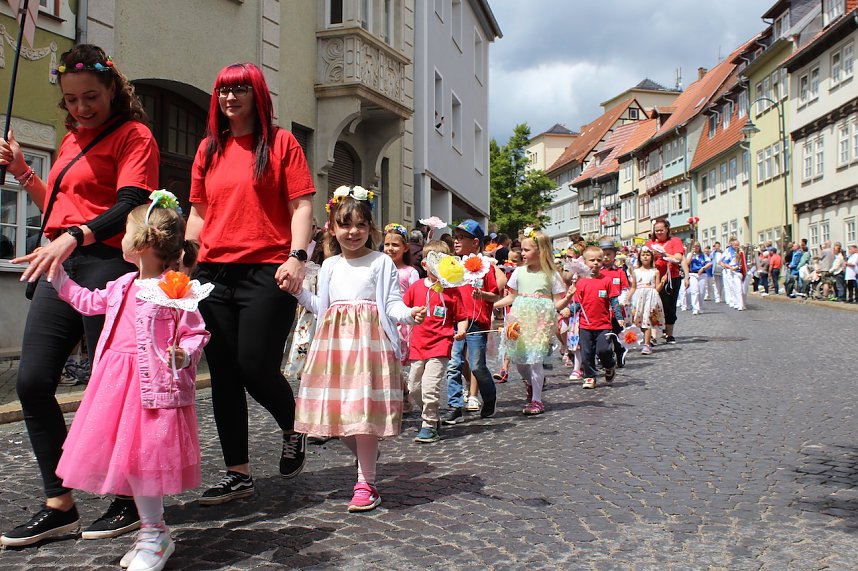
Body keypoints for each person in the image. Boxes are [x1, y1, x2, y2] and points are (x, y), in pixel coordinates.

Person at [0, 45, 159, 547]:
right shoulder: (70, 140)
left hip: (108, 266)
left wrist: (74, 236)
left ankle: (129, 498)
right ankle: (59, 504)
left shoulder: (135, 136)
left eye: (91, 96)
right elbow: (60, 207)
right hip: (61, 265)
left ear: (113, 88)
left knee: (111, 389)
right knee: (32, 382)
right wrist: (24, 171)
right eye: (71, 100)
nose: (81, 107)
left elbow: (130, 205)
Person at [14, 196, 209, 569]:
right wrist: (56, 271)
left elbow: (195, 332)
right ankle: (151, 532)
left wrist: (184, 354)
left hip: (151, 390)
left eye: (125, 231)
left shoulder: (174, 288)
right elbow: (87, 302)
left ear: (143, 242)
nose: (119, 238)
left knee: (144, 463)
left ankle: (155, 534)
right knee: (131, 462)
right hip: (116, 386)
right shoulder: (122, 284)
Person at [187, 63, 314, 505]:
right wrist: (184, 264)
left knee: (254, 366)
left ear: (257, 94)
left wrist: (297, 257)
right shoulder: (209, 148)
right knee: (223, 374)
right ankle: (237, 473)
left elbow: (301, 206)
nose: (230, 97)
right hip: (213, 274)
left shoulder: (281, 143)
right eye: (223, 90)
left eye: (240, 88)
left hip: (268, 270)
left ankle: (294, 423)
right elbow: (199, 214)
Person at [289, 187, 426, 511]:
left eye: (361, 225)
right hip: (334, 349)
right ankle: (367, 457)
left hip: (368, 346)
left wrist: (409, 314)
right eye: (346, 224)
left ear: (370, 228)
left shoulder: (380, 262)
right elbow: (321, 307)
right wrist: (296, 292)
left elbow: (391, 303)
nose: (353, 232)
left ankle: (367, 483)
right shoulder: (330, 265)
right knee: (339, 416)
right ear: (333, 228)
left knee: (363, 415)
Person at [494, 229, 572, 415]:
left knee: (536, 359)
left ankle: (537, 400)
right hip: (520, 321)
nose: (522, 253)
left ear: (540, 251)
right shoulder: (519, 272)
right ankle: (530, 382)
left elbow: (557, 303)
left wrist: (567, 299)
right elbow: (512, 296)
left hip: (540, 323)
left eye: (526, 250)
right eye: (522, 249)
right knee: (520, 361)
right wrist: (493, 305)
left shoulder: (551, 275)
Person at [403, 242, 466, 443]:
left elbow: (461, 316)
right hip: (418, 345)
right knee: (414, 387)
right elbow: (403, 309)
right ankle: (431, 413)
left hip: (440, 344)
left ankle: (429, 424)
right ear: (424, 264)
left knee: (430, 386)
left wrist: (461, 330)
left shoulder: (452, 291)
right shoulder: (416, 287)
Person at [442, 220, 502, 424]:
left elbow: (496, 295)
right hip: (457, 321)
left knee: (477, 366)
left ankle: (489, 396)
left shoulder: (486, 267)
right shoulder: (454, 266)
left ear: (475, 242)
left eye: (461, 238)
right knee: (454, 364)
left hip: (477, 323)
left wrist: (482, 294)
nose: (456, 241)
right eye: (455, 237)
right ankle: (455, 405)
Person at [568, 245, 622, 389]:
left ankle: (609, 366)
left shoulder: (606, 280)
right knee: (586, 353)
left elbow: (614, 300)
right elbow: (577, 304)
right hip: (585, 325)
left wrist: (619, 317)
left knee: (603, 350)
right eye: (592, 260)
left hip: (603, 324)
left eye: (599, 260)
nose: (596, 263)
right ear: (585, 262)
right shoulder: (581, 283)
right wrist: (568, 311)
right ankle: (590, 377)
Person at [384, 223, 419, 365]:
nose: (390, 249)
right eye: (387, 244)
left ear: (405, 247)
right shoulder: (380, 269)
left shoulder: (410, 272)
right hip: (384, 318)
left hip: (403, 321)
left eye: (395, 245)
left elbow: (416, 299)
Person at [645, 219, 685, 344]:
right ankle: (652, 336)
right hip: (654, 278)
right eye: (656, 230)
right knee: (653, 305)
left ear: (667, 229)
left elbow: (678, 258)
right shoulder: (650, 243)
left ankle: (669, 333)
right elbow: (643, 258)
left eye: (661, 230)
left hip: (671, 278)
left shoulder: (675, 241)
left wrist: (664, 254)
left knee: (669, 306)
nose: (659, 232)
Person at [598, 238, 633, 368]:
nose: (606, 257)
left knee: (617, 334)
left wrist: (622, 301)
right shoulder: (597, 272)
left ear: (614, 255)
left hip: (616, 310)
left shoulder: (619, 272)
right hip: (601, 310)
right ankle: (604, 356)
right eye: (603, 254)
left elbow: (624, 288)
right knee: (603, 335)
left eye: (609, 254)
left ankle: (620, 352)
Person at [631, 247, 666, 355]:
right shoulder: (636, 271)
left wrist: (662, 282)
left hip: (651, 297)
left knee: (647, 319)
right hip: (639, 297)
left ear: (651, 257)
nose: (645, 257)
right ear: (639, 257)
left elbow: (657, 288)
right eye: (643, 255)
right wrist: (628, 299)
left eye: (647, 255)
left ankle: (647, 345)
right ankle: (645, 339)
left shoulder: (655, 271)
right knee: (639, 320)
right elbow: (633, 287)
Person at [685, 242, 712, 314]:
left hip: (702, 274)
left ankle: (701, 306)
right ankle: (695, 308)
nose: (696, 247)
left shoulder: (703, 255)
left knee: (702, 292)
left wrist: (703, 268)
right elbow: (687, 263)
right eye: (695, 246)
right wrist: (692, 253)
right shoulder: (690, 254)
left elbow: (710, 263)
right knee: (694, 291)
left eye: (698, 246)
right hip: (693, 274)